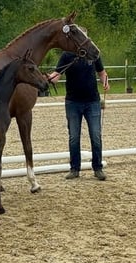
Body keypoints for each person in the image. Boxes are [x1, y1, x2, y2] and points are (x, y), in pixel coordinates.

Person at [47, 50, 109, 181]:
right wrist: (46, 78)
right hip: (72, 102)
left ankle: (98, 168)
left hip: (92, 101)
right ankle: (74, 169)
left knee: (96, 136)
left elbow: (102, 72)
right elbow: (57, 75)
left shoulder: (94, 53)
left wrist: (105, 81)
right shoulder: (66, 56)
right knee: (74, 137)